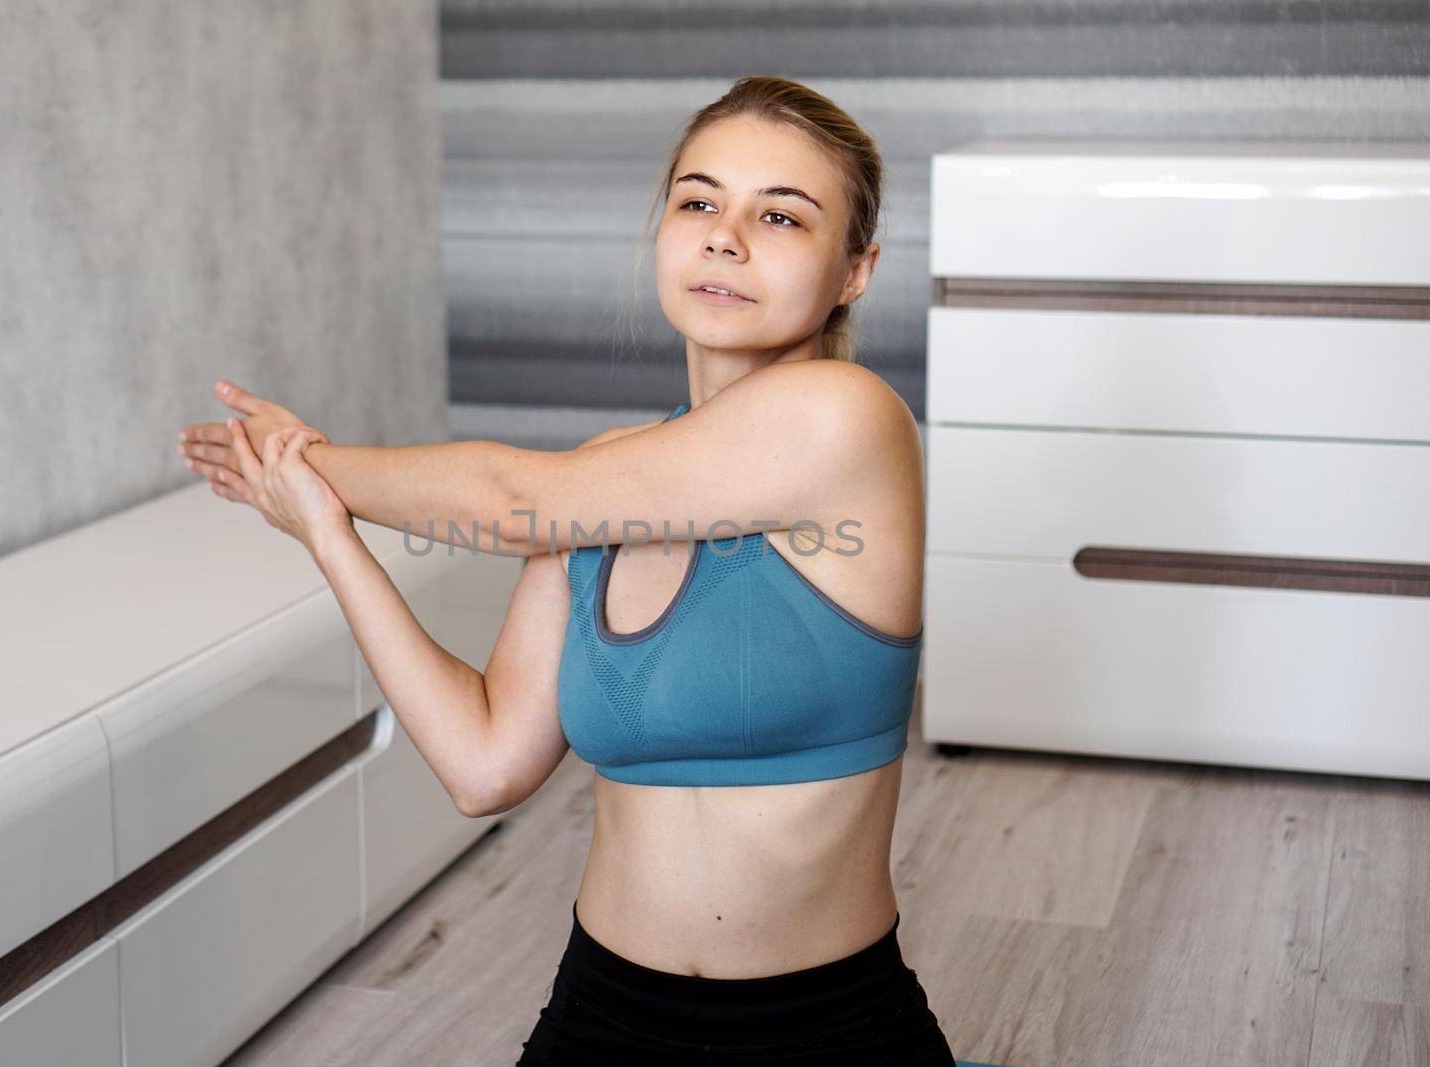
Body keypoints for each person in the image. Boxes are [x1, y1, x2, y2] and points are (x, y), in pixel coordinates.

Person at [179, 74, 954, 1066]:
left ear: (855, 269)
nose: (726, 236)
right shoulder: (601, 480)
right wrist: (325, 527)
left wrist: (306, 459)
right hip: (603, 1014)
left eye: (781, 215)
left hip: (821, 1029)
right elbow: (486, 762)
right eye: (699, 200)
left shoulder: (846, 419)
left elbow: (512, 502)